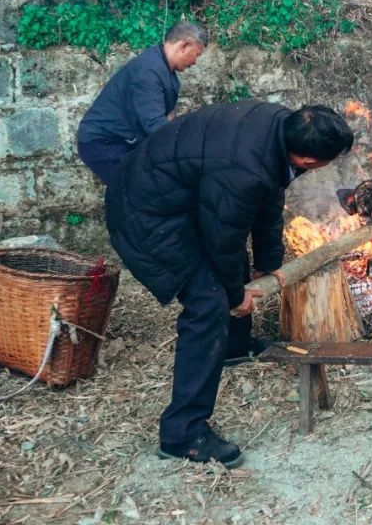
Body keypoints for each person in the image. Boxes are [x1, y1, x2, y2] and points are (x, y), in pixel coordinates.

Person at [105, 100, 354, 466]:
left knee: (232, 269)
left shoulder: (279, 127)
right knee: (208, 303)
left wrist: (267, 264)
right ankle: (183, 434)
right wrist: (235, 296)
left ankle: (234, 345)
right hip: (145, 213)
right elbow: (223, 237)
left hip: (176, 196)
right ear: (308, 159)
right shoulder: (245, 169)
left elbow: (267, 201)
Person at [76, 22, 207, 184]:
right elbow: (154, 124)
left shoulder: (164, 68)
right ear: (184, 46)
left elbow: (165, 118)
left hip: (123, 141)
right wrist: (190, 146)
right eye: (197, 54)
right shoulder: (149, 71)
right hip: (103, 143)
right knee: (137, 190)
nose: (195, 62)